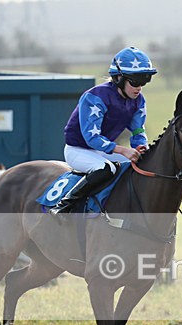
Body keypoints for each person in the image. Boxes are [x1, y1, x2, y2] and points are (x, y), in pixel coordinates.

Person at [50, 46, 157, 214]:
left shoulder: (139, 101)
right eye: (135, 82)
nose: (139, 88)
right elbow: (91, 137)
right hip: (79, 150)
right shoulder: (95, 97)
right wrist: (122, 150)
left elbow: (137, 131)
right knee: (107, 169)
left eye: (144, 82)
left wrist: (140, 147)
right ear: (119, 79)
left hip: (103, 151)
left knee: (141, 163)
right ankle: (65, 204)